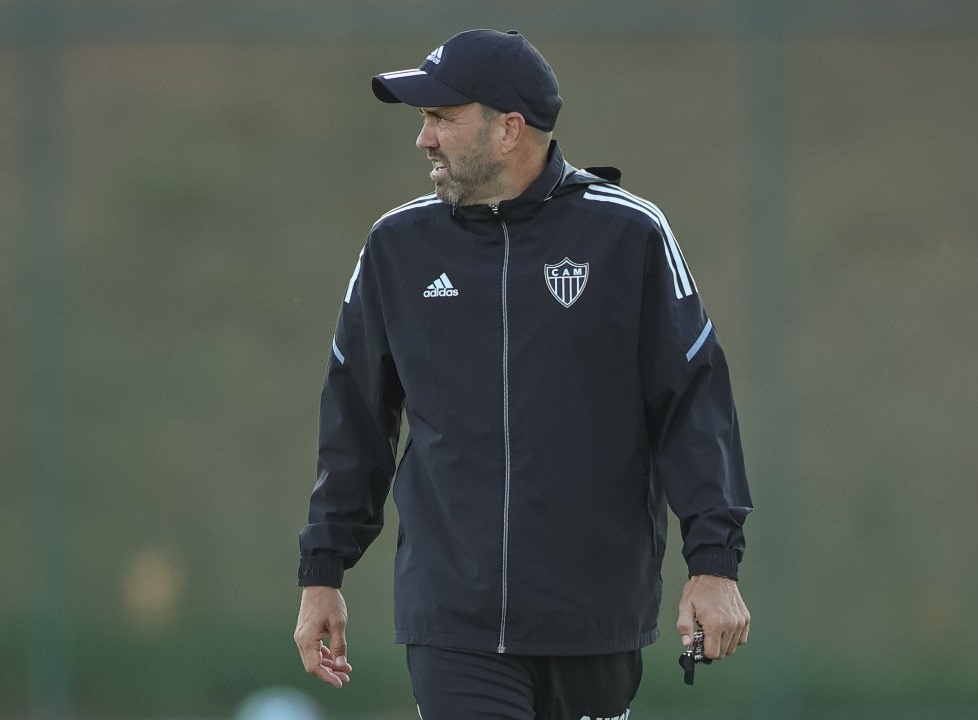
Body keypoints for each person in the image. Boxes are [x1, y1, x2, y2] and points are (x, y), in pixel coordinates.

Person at [294, 29, 753, 719]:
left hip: (594, 617)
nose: (425, 139)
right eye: (424, 120)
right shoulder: (397, 248)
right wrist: (322, 572)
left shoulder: (629, 236)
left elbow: (693, 404)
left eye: (443, 118)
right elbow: (356, 419)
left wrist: (714, 563)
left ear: (510, 129)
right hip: (454, 620)